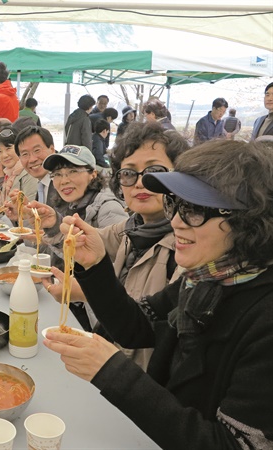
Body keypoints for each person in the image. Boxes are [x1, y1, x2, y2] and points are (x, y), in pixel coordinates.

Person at [45, 140, 273, 449]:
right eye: (175, 204)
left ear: (249, 220)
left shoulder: (262, 318)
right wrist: (97, 265)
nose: (177, 220)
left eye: (194, 210)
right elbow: (138, 327)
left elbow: (230, 443)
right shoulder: (207, 278)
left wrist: (113, 373)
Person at [43, 122, 190, 367]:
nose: (141, 183)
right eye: (129, 173)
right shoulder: (132, 226)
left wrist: (82, 291)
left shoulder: (188, 248)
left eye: (155, 171)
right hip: (107, 359)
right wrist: (54, 223)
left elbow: (148, 329)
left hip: (137, 379)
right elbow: (91, 240)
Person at [32, 145, 127, 272]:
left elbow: (121, 264)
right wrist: (53, 228)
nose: (64, 181)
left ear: (92, 174)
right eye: (57, 174)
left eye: (73, 171)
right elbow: (71, 254)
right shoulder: (69, 204)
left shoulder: (108, 208)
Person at [0, 125, 37, 204]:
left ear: (19, 148)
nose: (4, 155)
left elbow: (29, 210)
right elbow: (4, 206)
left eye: (8, 148)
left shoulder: (29, 173)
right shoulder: (10, 173)